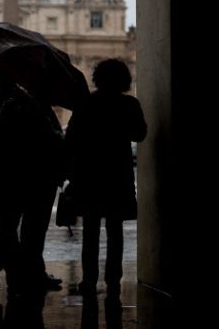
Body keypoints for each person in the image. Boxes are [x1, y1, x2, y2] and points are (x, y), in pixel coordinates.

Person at [0, 68, 66, 299]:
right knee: (30, 228)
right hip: (28, 172)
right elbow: (54, 136)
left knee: (12, 226)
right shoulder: (25, 102)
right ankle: (23, 270)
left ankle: (18, 268)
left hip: (8, 173)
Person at [65, 58, 147, 298]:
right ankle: (113, 279)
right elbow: (140, 134)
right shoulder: (129, 104)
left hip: (89, 174)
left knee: (90, 231)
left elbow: (71, 140)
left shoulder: (86, 104)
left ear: (97, 78)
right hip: (117, 173)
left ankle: (88, 279)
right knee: (115, 230)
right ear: (124, 79)